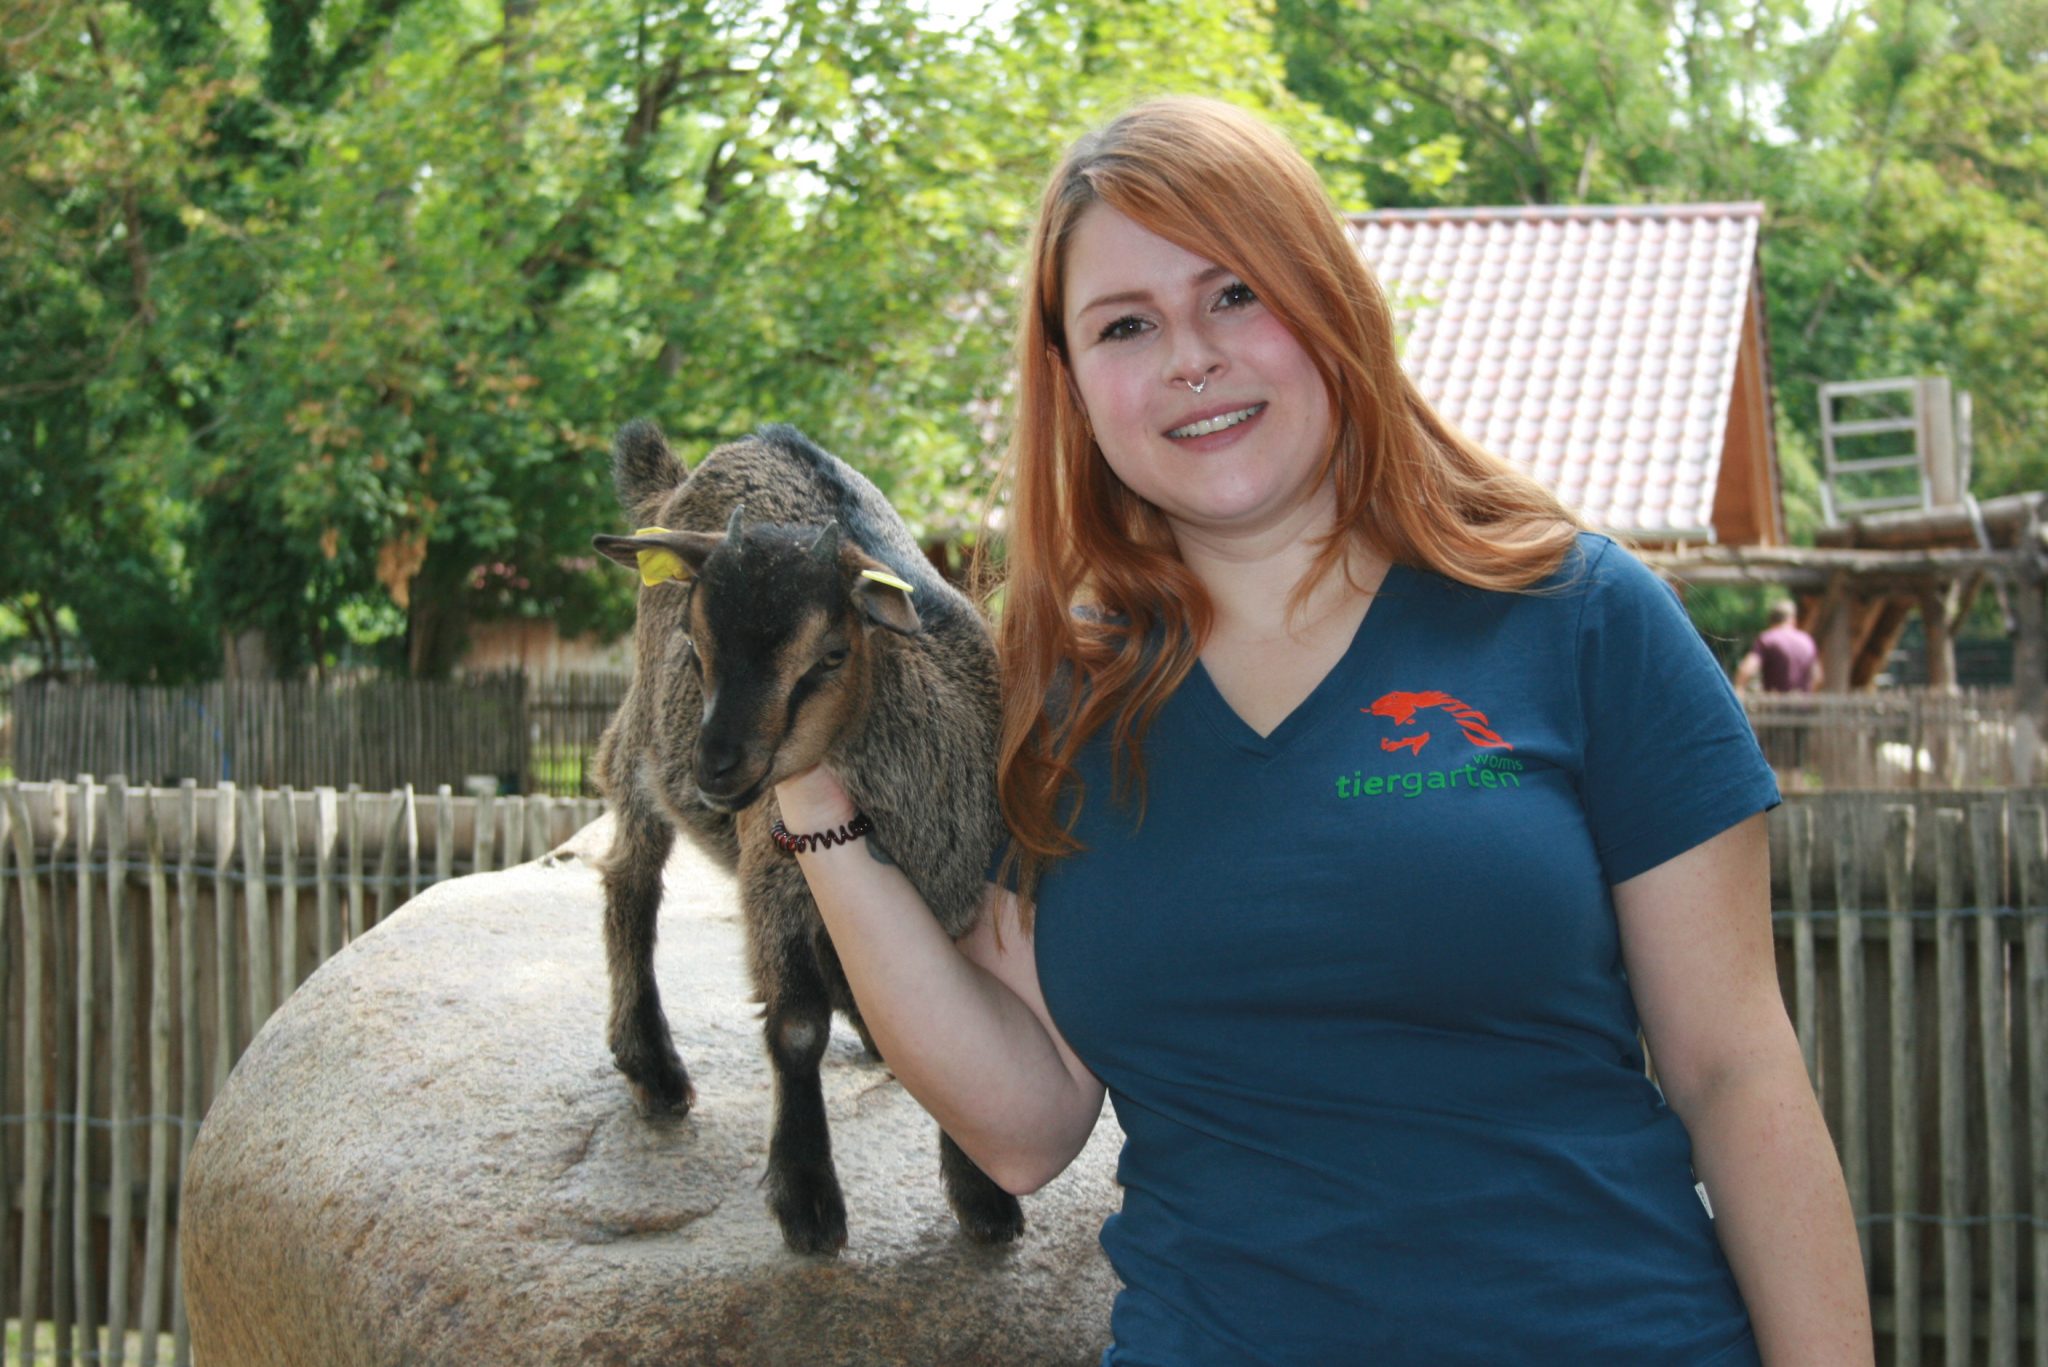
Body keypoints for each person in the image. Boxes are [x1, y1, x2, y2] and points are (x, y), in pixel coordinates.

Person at [772, 97, 1871, 1364]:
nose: (1189, 353)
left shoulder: (1580, 618)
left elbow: (1735, 1071)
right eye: (1125, 323)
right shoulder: (1063, 697)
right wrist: (809, 795)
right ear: (1074, 384)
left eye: (1233, 293)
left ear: (1329, 302)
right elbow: (1022, 1121)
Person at [1736, 600, 1823, 693]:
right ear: (1793, 620)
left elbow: (1747, 669)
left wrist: (1739, 689)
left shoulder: (1767, 639)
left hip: (1775, 704)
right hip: (1801, 704)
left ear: (1770, 620)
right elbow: (1818, 677)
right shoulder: (1807, 640)